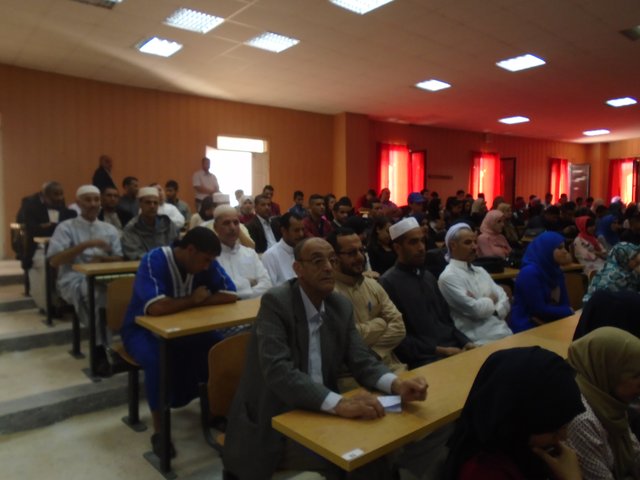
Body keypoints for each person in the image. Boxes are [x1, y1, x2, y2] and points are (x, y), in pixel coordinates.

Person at [223, 237, 428, 480]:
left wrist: (396, 385)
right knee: (362, 455)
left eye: (332, 260)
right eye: (318, 261)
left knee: (395, 433)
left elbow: (361, 360)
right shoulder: (276, 303)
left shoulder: (339, 306)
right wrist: (340, 404)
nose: (329, 267)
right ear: (298, 268)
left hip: (322, 407)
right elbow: (279, 371)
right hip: (278, 418)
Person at [121, 227, 237, 457]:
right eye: (205, 260)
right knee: (156, 360)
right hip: (142, 331)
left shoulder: (205, 262)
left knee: (216, 347)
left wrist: (193, 303)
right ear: (190, 250)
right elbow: (156, 308)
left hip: (183, 329)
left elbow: (230, 294)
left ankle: (213, 411)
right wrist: (193, 300)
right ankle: (160, 431)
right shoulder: (154, 260)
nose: (208, 267)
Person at [445, 347, 586, 480]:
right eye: (554, 430)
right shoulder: (484, 473)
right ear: (518, 421)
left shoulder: (521, 449)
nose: (564, 437)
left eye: (565, 426)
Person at [379, 218, 473, 369]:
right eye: (413, 242)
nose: (421, 248)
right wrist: (440, 350)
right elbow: (399, 339)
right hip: (425, 359)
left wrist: (466, 342)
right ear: (397, 248)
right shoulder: (388, 283)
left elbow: (446, 321)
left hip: (454, 349)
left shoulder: (428, 277)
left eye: (422, 241)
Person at [47, 185, 122, 374]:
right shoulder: (66, 227)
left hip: (105, 277)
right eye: (88, 200)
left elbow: (119, 258)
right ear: (78, 203)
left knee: (126, 291)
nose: (93, 204)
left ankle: (127, 346)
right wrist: (85, 245)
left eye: (96, 200)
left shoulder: (109, 229)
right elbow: (54, 261)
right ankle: (100, 351)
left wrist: (103, 260)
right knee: (98, 295)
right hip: (73, 278)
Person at [329, 228, 406, 374]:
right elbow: (346, 341)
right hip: (353, 376)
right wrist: (381, 323)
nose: (360, 257)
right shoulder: (329, 294)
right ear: (334, 258)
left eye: (361, 250)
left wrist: (372, 355)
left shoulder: (372, 284)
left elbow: (399, 327)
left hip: (390, 367)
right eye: (352, 253)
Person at [566, 327, 640, 479]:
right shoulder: (581, 418)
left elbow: (635, 454)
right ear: (609, 370)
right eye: (637, 376)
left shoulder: (606, 397)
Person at [438, 223, 512, 345]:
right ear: (453, 245)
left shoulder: (480, 271)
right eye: (468, 243)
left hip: (505, 332)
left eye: (475, 242)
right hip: (480, 341)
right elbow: (476, 310)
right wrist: (491, 299)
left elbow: (504, 299)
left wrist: (493, 310)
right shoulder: (448, 277)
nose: (474, 247)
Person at [511, 232, 574, 333]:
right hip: (528, 326)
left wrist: (567, 311)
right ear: (547, 249)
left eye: (564, 247)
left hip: (553, 321)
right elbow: (538, 309)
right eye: (560, 248)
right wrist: (568, 311)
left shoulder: (556, 271)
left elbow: (565, 303)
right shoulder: (529, 273)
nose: (565, 251)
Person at [213, 205, 271, 299]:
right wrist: (248, 284)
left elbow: (267, 284)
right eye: (226, 223)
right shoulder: (211, 257)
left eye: (236, 223)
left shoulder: (250, 254)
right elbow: (216, 291)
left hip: (252, 306)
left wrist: (236, 295)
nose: (232, 227)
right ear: (216, 227)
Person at [121, 187, 178, 260]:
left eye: (155, 203)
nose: (152, 206)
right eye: (148, 202)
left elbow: (176, 247)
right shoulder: (132, 228)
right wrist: (158, 259)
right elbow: (134, 254)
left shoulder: (167, 224)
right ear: (140, 204)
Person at [261, 212, 305, 285]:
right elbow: (270, 287)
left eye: (302, 230)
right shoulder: (270, 256)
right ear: (283, 231)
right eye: (296, 230)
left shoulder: (306, 251)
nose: (301, 234)